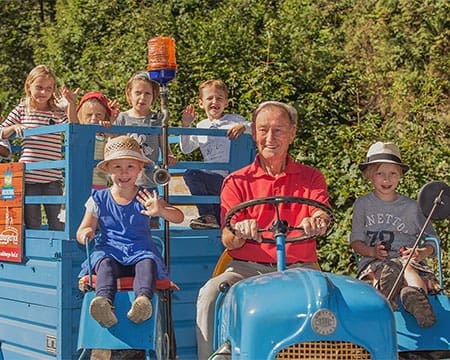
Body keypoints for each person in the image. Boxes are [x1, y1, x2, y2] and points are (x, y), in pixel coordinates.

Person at [195, 101, 332, 359]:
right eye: (263, 130)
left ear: (292, 132)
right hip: (247, 267)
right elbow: (227, 238)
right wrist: (239, 231)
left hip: (299, 266)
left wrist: (317, 221)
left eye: (278, 130)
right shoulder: (236, 181)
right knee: (210, 294)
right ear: (254, 133)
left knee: (331, 300)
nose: (270, 138)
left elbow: (320, 211)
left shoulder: (311, 177)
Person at [76, 135, 184, 328]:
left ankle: (142, 301)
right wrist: (85, 232)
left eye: (130, 167)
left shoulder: (146, 196)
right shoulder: (98, 198)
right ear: (108, 170)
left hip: (139, 251)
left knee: (147, 262)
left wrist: (160, 210)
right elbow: (84, 227)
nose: (124, 173)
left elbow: (179, 217)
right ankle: (103, 303)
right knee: (105, 264)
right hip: (110, 251)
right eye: (117, 167)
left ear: (140, 169)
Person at [350, 141, 439, 328]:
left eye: (392, 173)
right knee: (384, 270)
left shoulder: (412, 207)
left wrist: (421, 252)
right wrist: (372, 252)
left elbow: (432, 240)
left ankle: (415, 299)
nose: (386, 179)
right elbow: (356, 242)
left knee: (406, 268)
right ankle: (390, 296)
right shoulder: (362, 205)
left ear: (400, 176)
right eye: (380, 173)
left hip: (407, 260)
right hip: (376, 262)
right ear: (369, 175)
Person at [0, 64, 79, 230]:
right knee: (32, 223)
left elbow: (75, 129)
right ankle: (34, 255)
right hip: (29, 178)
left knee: (57, 223)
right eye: (39, 87)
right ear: (29, 86)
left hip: (52, 177)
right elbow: (1, 131)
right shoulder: (22, 109)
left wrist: (71, 105)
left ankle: (57, 255)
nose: (44, 92)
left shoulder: (56, 111)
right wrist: (14, 128)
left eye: (48, 88)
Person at [180, 79, 251, 229]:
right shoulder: (201, 125)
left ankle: (210, 217)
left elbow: (256, 127)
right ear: (201, 103)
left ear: (226, 102)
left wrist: (243, 127)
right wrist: (186, 126)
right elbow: (186, 149)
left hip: (230, 178)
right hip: (213, 180)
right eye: (209, 98)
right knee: (192, 174)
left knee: (195, 175)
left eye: (219, 98)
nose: (214, 102)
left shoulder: (234, 120)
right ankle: (209, 217)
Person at [115, 72, 177, 190]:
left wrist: (168, 154)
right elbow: (113, 142)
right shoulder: (122, 117)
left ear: (154, 96)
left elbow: (163, 142)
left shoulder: (157, 119)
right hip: (125, 178)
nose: (142, 98)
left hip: (148, 178)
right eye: (138, 93)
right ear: (129, 94)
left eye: (147, 93)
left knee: (148, 205)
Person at [77, 91, 120, 189]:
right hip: (79, 183)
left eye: (99, 115)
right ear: (81, 116)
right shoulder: (80, 133)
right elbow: (73, 122)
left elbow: (113, 148)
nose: (93, 119)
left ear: (105, 117)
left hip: (100, 184)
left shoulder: (105, 136)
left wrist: (110, 123)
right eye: (89, 114)